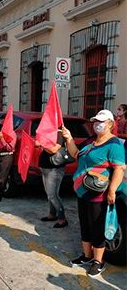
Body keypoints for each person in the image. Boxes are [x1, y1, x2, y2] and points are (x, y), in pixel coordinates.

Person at [62, 109, 125, 278]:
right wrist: (68, 138)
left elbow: (119, 168)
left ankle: (99, 261)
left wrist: (112, 190)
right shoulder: (91, 141)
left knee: (97, 227)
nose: (97, 124)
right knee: (85, 224)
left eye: (101, 121)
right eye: (96, 121)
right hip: (82, 191)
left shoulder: (114, 145)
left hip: (99, 194)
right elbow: (75, 154)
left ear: (111, 124)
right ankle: (87, 256)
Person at [36, 130, 68, 228]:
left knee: (52, 195)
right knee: (49, 194)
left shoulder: (59, 134)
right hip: (46, 168)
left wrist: (41, 144)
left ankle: (62, 218)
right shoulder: (49, 133)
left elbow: (54, 150)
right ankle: (52, 214)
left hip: (55, 169)